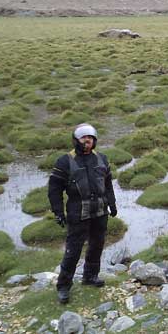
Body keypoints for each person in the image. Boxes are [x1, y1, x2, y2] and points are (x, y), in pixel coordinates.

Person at [48, 123, 117, 304]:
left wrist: (112, 203)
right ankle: (63, 286)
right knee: (73, 250)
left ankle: (90, 276)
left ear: (95, 141)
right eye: (84, 138)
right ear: (76, 140)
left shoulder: (102, 158)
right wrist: (58, 211)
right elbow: (54, 189)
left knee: (97, 245)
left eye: (91, 138)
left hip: (100, 210)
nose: (88, 141)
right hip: (77, 212)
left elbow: (108, 183)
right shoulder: (65, 161)